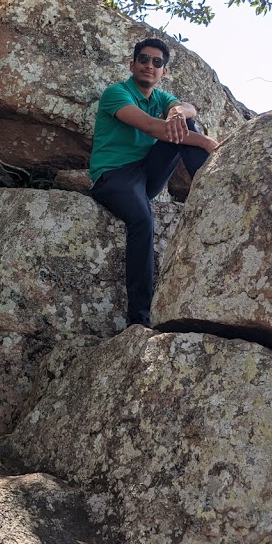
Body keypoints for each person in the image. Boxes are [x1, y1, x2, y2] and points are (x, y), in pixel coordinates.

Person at [89, 37, 218, 327]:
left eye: (157, 62)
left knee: (185, 124)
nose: (150, 66)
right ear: (132, 64)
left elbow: (189, 109)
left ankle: (211, 190)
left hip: (146, 174)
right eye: (144, 60)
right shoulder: (116, 93)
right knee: (143, 221)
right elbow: (149, 126)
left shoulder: (160, 99)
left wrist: (177, 112)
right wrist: (206, 142)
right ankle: (140, 318)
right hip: (113, 176)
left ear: (164, 72)